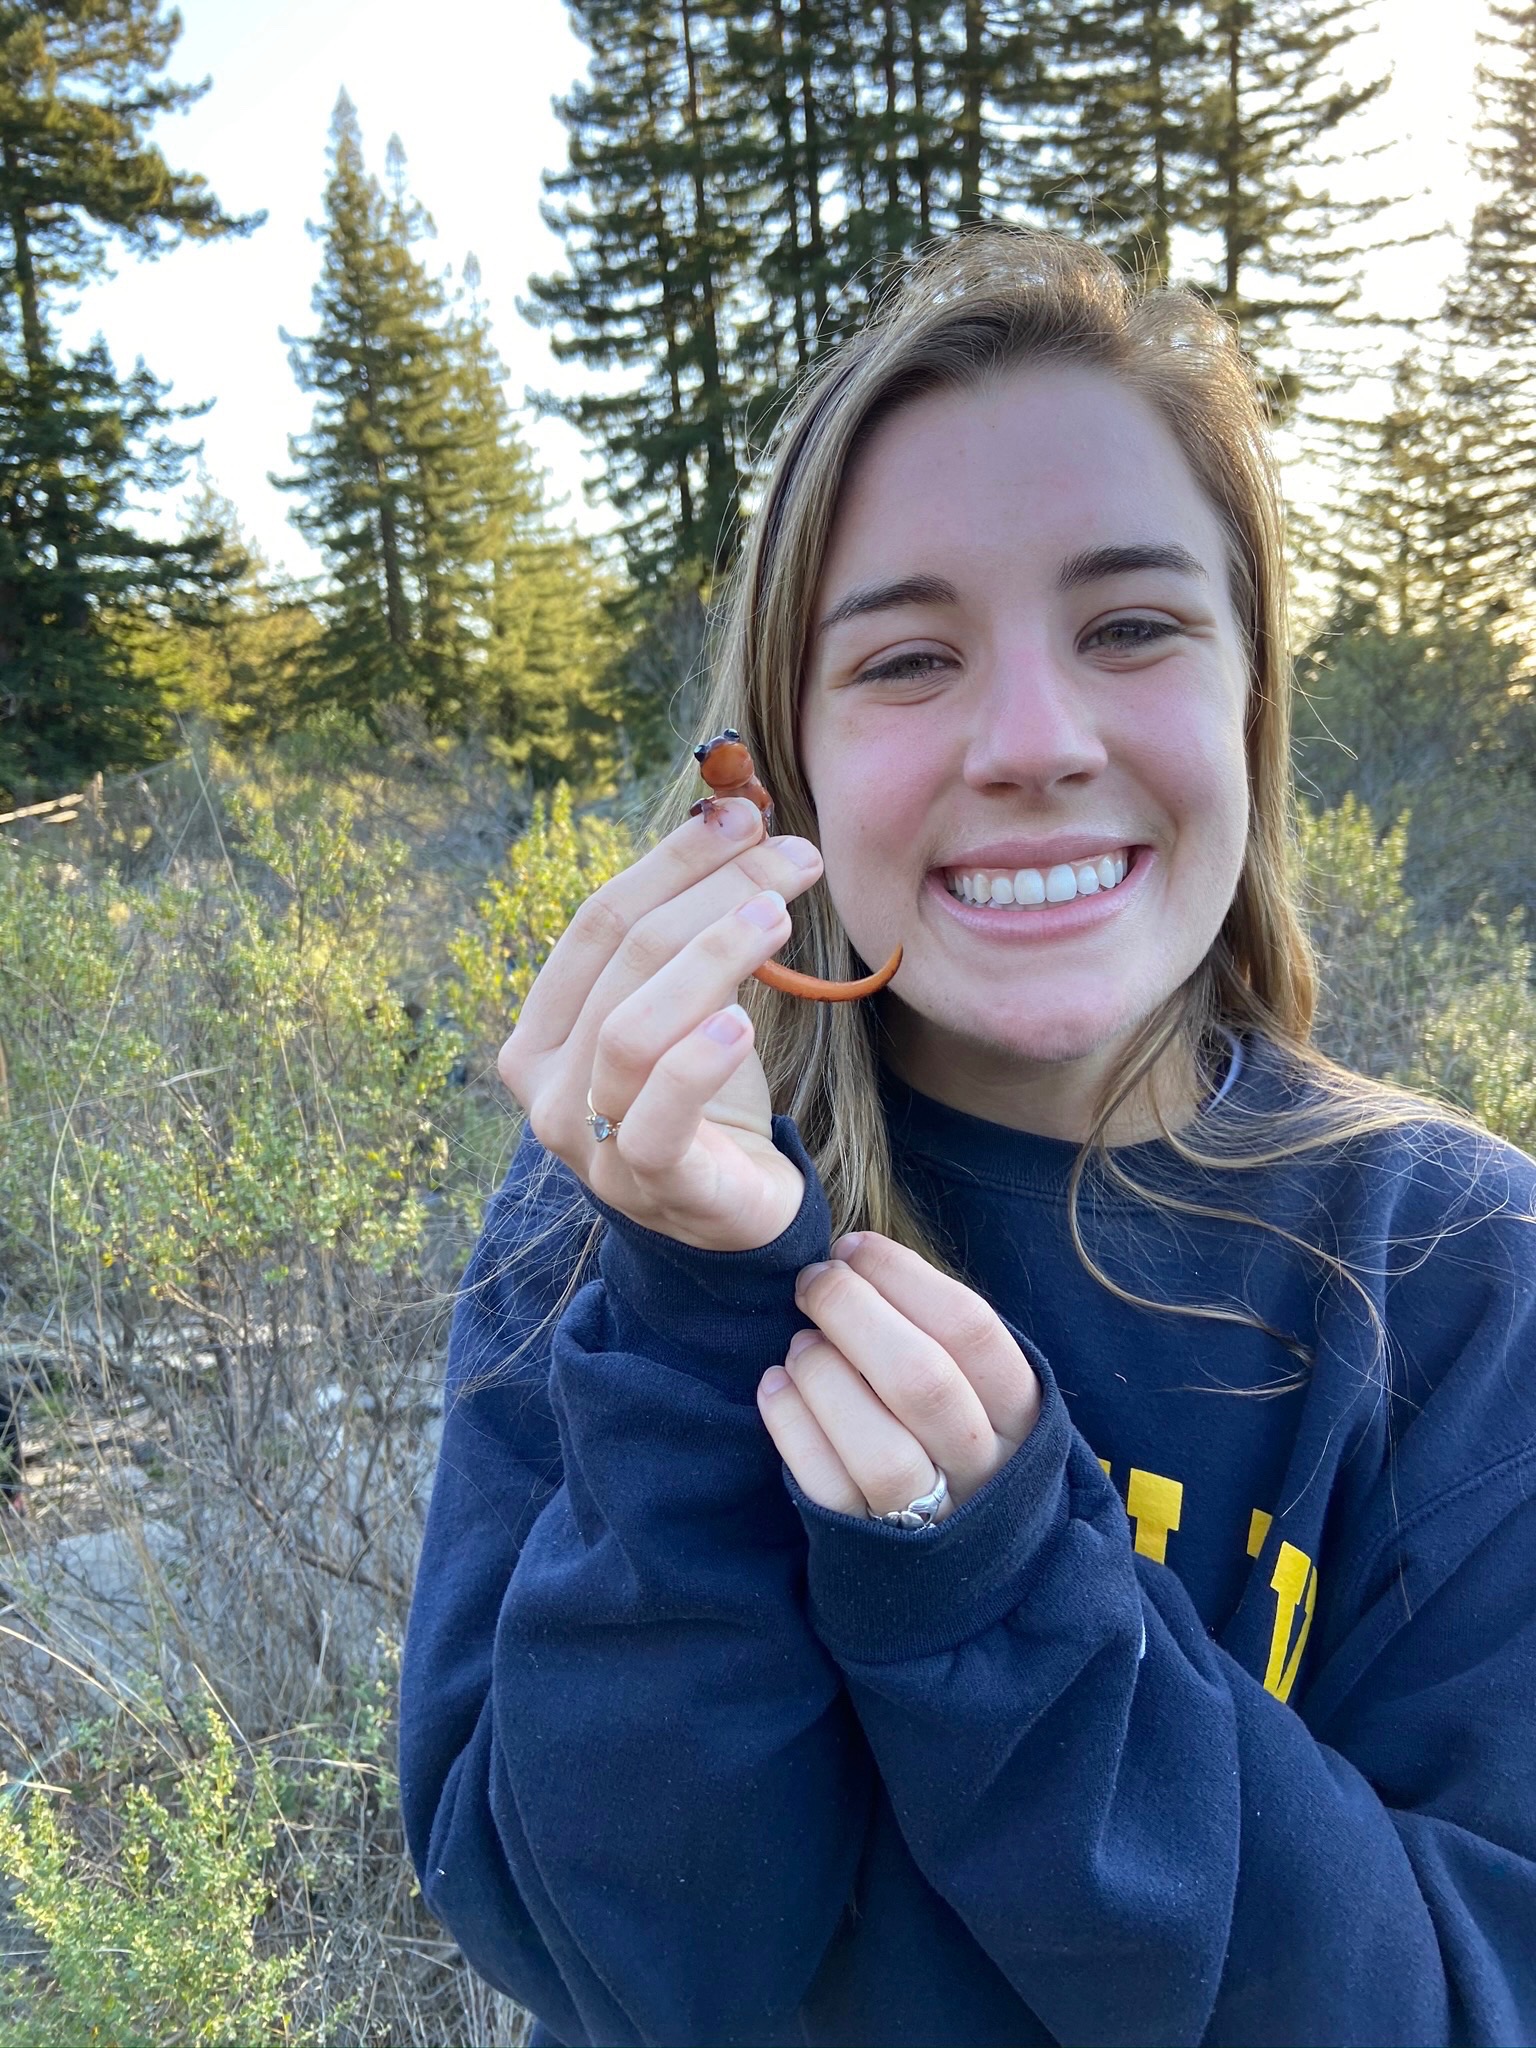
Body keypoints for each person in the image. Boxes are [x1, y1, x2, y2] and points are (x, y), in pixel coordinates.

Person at [398, 230, 1536, 2047]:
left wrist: (1003, 1597)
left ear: (1249, 695)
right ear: (782, 775)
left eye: (1133, 625)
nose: (1029, 739)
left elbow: (1464, 1998)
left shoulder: (1463, 1277)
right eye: (909, 658)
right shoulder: (617, 1189)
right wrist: (690, 1310)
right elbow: (612, 1962)